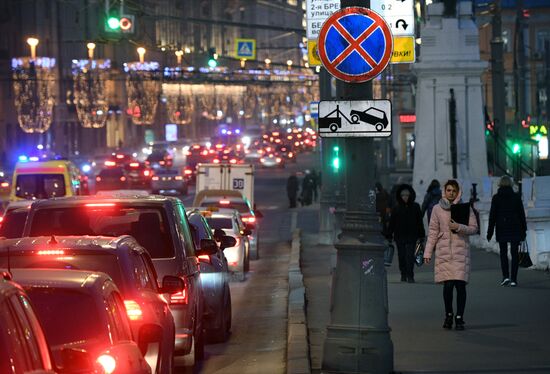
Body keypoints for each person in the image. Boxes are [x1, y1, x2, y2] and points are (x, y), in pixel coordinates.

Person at [423, 180, 478, 331]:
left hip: (461, 252)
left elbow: (474, 228)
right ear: (444, 191)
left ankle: (459, 317)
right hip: (444, 252)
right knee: (448, 287)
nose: (451, 193)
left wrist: (459, 227)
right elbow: (433, 231)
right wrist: (427, 252)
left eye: (454, 190)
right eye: (448, 190)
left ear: (458, 192)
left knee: (460, 286)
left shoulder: (465, 208)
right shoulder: (437, 209)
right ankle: (448, 314)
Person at [486, 176, 527, 287]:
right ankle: (514, 279)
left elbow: (492, 216)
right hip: (515, 228)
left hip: (502, 228)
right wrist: (524, 230)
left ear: (500, 184)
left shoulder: (496, 198)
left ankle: (505, 277)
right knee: (515, 254)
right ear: (510, 184)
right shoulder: (516, 197)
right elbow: (521, 215)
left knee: (503, 254)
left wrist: (489, 233)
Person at [386, 184, 425, 283]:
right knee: (401, 256)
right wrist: (389, 235)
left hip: (412, 236)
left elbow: (419, 222)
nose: (405, 197)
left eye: (407, 195)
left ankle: (410, 275)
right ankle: (403, 274)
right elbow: (392, 223)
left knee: (410, 256)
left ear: (410, 195)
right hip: (400, 236)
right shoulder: (396, 208)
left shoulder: (415, 207)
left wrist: (421, 235)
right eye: (403, 195)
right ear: (400, 196)